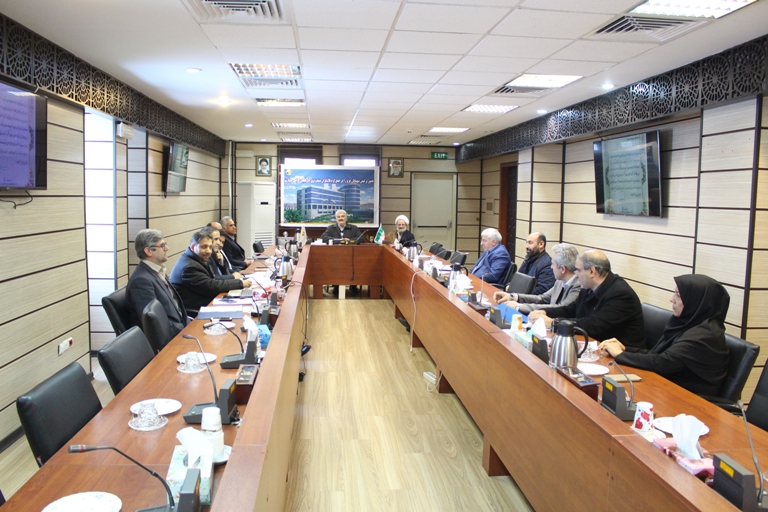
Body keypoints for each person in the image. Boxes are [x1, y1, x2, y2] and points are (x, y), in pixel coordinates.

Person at [599, 275, 730, 397]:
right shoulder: (687, 323)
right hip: (667, 388)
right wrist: (625, 349)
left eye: (678, 295)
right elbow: (657, 354)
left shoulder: (704, 336)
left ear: (695, 301)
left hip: (691, 399)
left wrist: (620, 354)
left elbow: (662, 362)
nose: (672, 299)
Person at [528, 249, 645, 349]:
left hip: (621, 357)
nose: (576, 275)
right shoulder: (588, 287)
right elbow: (570, 310)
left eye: (578, 270)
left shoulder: (620, 295)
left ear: (592, 271)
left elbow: (593, 326)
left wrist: (553, 323)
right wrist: (545, 312)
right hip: (595, 347)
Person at [169, 231, 253, 313]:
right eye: (204, 247)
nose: (208, 251)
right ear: (193, 247)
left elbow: (214, 278)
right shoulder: (189, 267)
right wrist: (240, 283)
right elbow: (211, 286)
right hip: (199, 308)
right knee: (242, 311)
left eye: (210, 247)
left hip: (207, 301)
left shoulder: (198, 259)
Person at [125, 229, 189, 336]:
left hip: (181, 328)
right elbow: (155, 323)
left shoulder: (158, 271)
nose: (167, 248)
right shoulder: (141, 281)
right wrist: (184, 330)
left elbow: (174, 307)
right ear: (148, 251)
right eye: (162, 246)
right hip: (170, 338)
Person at [493, 243, 581, 314]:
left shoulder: (578, 285)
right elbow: (542, 298)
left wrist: (519, 306)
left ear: (562, 269)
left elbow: (561, 309)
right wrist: (513, 297)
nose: (551, 267)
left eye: (553, 264)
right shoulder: (560, 281)